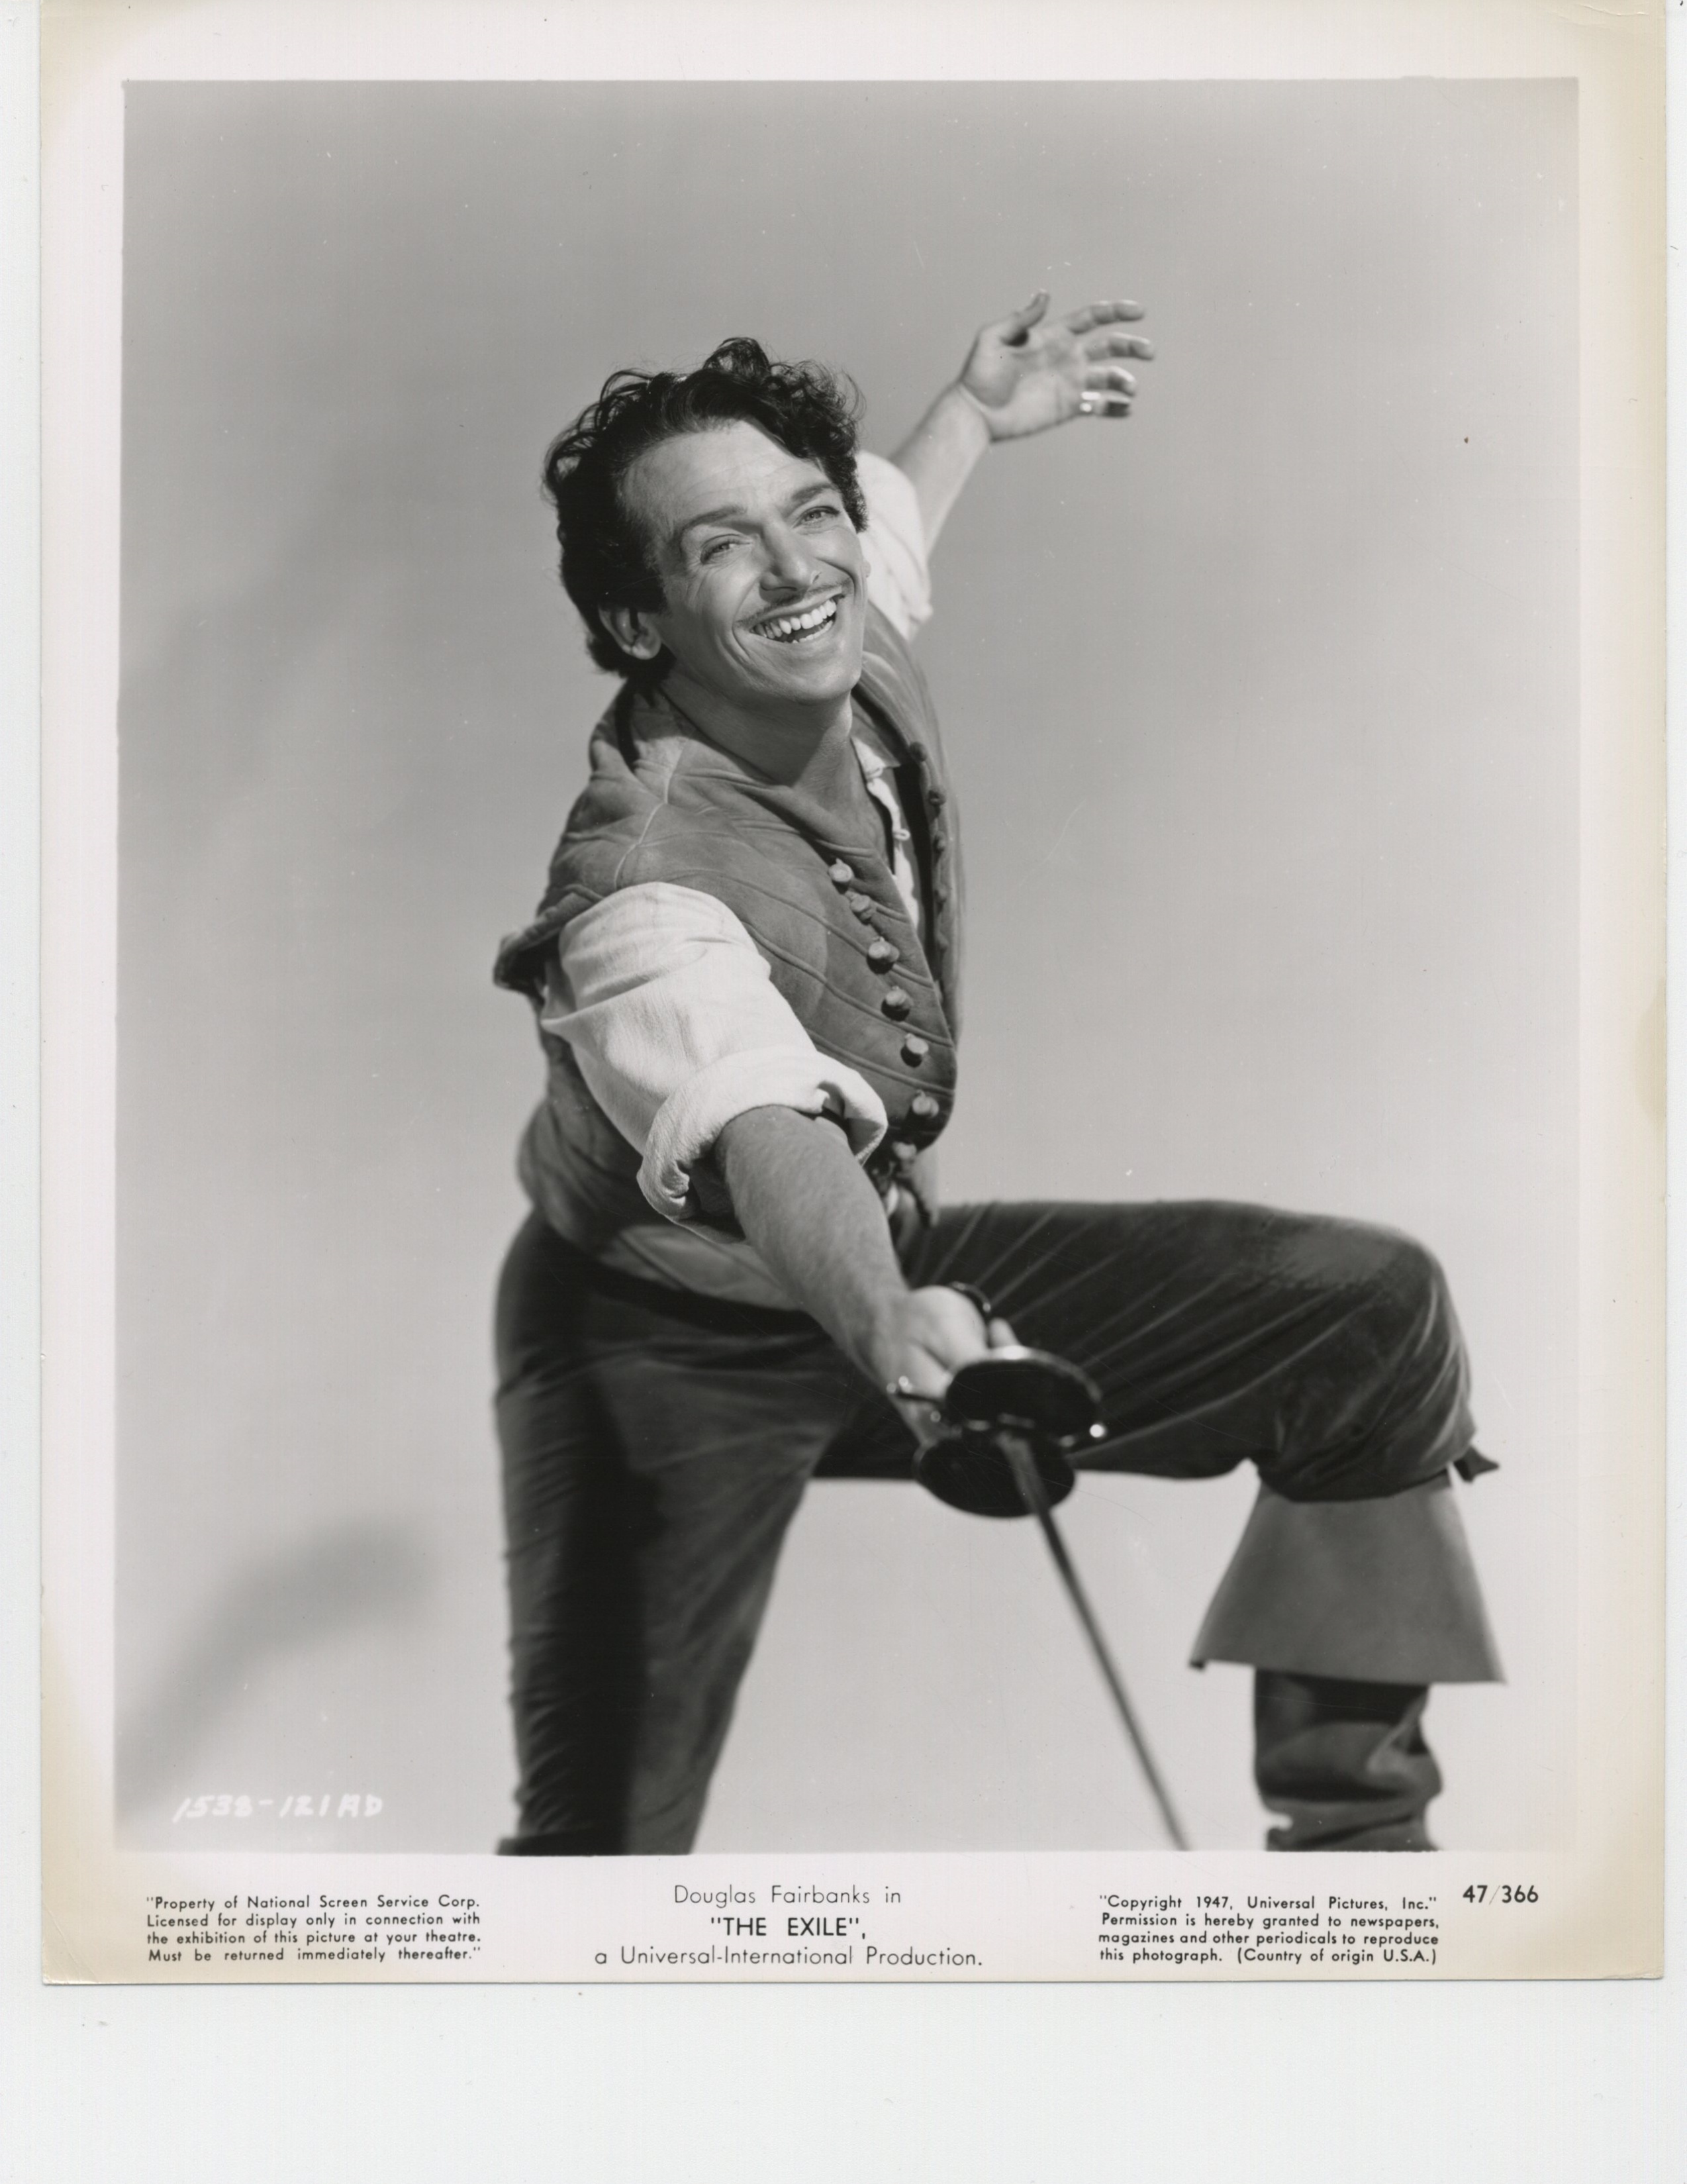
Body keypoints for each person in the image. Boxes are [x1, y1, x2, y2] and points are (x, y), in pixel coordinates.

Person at [493, 294, 1503, 1857]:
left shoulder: (837, 624)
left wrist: (968, 411)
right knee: (601, 1864)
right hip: (654, 1346)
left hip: (897, 1286)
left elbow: (881, 530)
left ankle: (1364, 1864)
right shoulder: (635, 888)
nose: (797, 570)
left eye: (808, 514)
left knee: (1368, 1317)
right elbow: (760, 1118)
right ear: (637, 624)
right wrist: (890, 1320)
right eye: (720, 548)